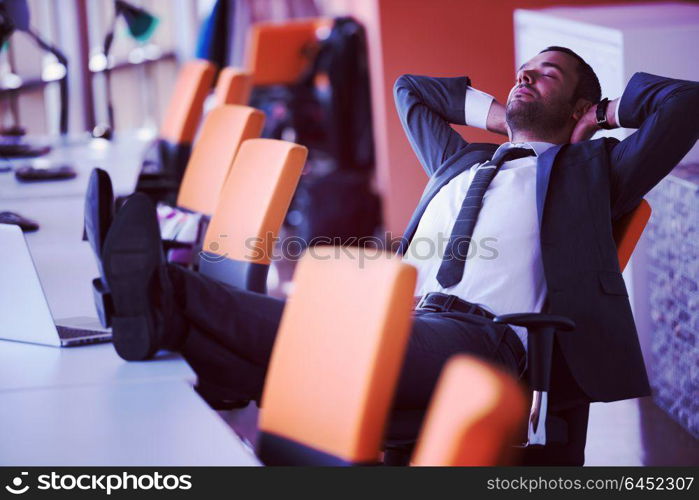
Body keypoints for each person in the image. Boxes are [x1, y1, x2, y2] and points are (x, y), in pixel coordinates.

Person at [88, 46, 699, 465]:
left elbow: (686, 105)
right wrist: (503, 118)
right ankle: (160, 309)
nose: (525, 76)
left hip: (487, 342)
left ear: (576, 108)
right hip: (415, 317)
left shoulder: (593, 171)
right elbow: (412, 89)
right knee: (329, 335)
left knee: (327, 334)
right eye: (524, 69)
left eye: (546, 75)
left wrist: (604, 117)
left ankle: (165, 291)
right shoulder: (459, 161)